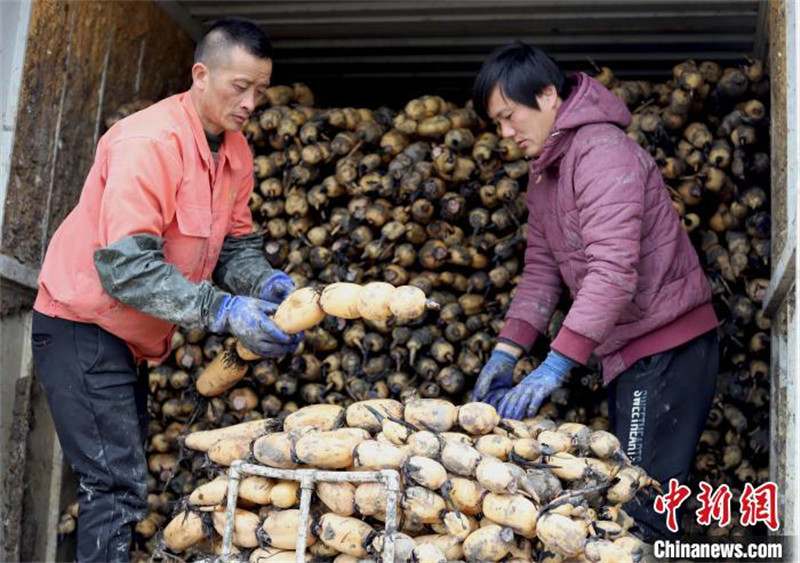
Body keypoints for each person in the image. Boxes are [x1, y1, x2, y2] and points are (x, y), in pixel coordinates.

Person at [30, 19, 297, 562]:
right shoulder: (148, 142)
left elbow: (234, 246)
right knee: (114, 488)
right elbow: (126, 269)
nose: (250, 102)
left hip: (130, 342)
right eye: (239, 87)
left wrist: (263, 281)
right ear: (201, 74)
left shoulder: (236, 153)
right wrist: (222, 309)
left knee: (121, 487)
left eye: (261, 90)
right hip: (82, 326)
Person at [471, 43, 719, 540]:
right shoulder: (545, 175)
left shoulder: (602, 154)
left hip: (665, 347)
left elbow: (613, 272)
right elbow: (541, 273)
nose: (504, 133)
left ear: (546, 95)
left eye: (508, 116)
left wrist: (557, 364)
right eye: (495, 123)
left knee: (640, 504)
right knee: (629, 494)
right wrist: (505, 352)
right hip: (629, 352)